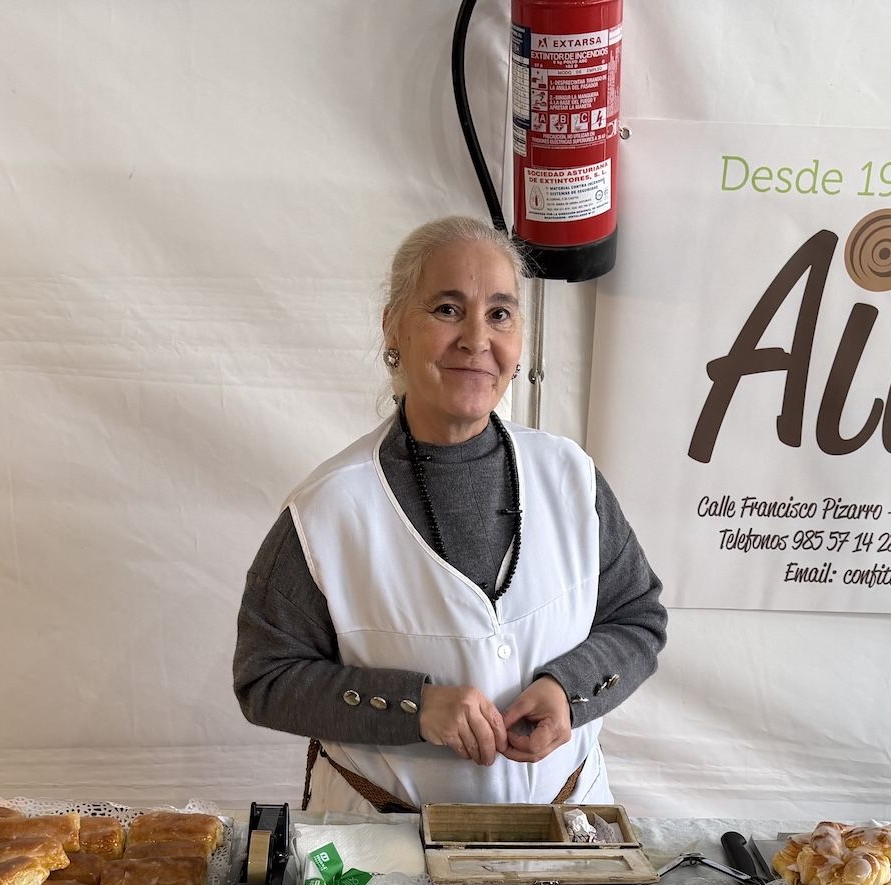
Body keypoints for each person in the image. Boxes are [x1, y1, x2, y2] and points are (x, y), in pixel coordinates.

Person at [233, 216, 667, 813]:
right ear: (393, 326)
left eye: (500, 313)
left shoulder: (571, 478)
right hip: (382, 851)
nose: (476, 339)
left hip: (568, 828)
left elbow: (637, 618)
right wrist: (414, 706)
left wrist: (569, 691)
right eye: (446, 309)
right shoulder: (327, 510)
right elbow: (267, 680)